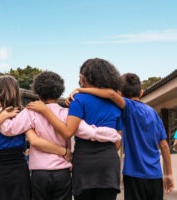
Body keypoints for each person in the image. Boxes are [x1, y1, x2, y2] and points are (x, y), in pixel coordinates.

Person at [0, 71, 121, 200]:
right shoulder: (68, 113)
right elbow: (90, 132)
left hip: (40, 173)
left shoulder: (30, 111)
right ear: (60, 91)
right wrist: (114, 135)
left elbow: (7, 129)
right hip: (63, 173)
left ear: (37, 92)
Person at [27, 58, 123, 200]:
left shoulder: (79, 100)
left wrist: (45, 111)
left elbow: (67, 131)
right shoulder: (115, 104)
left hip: (85, 161)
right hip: (109, 162)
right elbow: (118, 142)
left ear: (82, 78)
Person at [68, 73, 175, 200]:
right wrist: (168, 174)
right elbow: (164, 145)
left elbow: (111, 94)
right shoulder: (153, 113)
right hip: (155, 176)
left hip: (134, 175)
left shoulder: (129, 107)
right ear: (141, 93)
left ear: (119, 93)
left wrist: (80, 90)